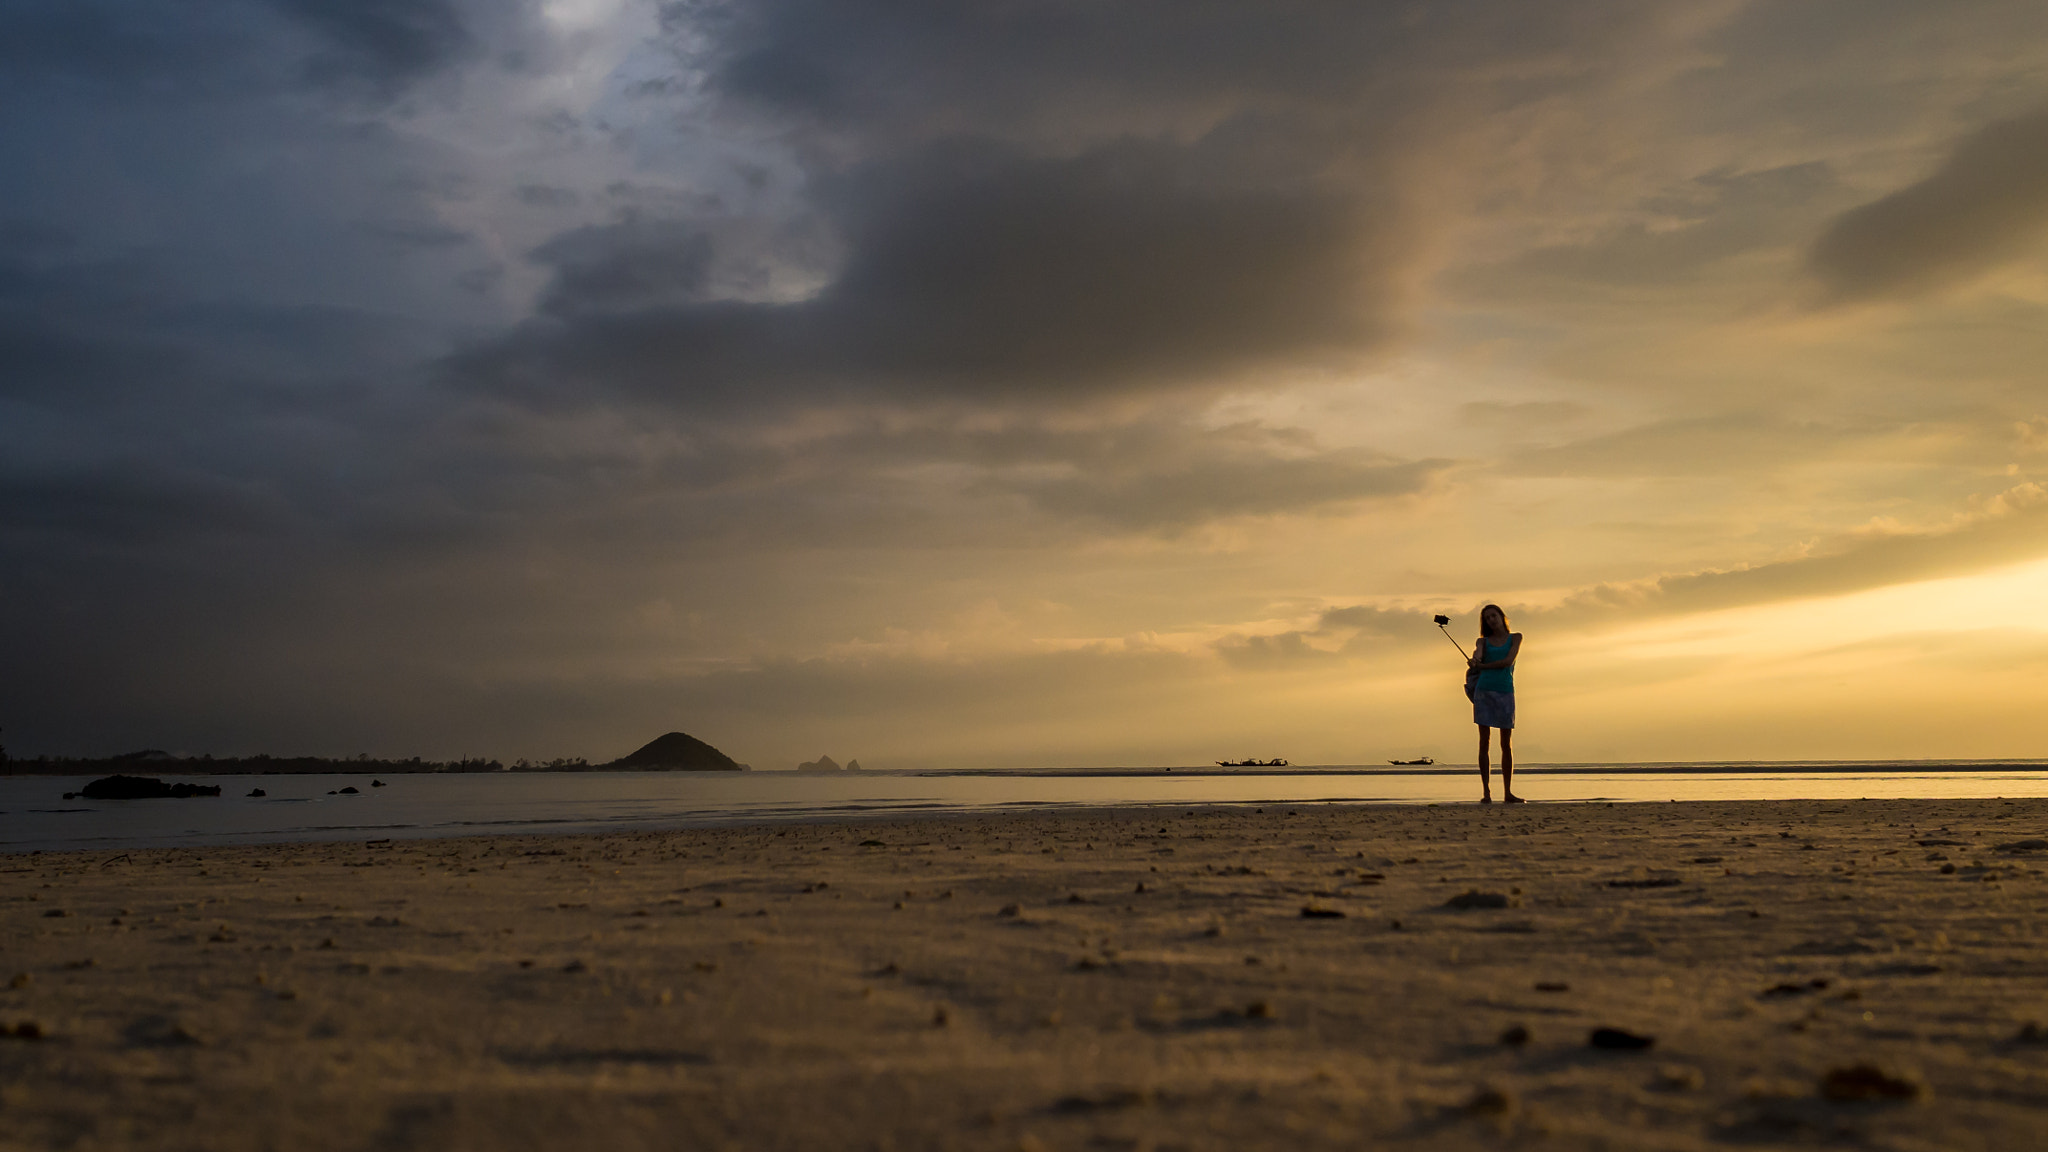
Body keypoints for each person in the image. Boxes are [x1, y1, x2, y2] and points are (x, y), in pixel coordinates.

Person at [1467, 604, 1522, 803]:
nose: (1491, 619)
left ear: (1501, 616)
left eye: (1494, 615)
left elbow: (1508, 661)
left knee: (1506, 744)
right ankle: (1487, 793)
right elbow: (1478, 654)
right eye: (1487, 618)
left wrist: (1483, 666)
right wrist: (1475, 662)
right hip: (1484, 691)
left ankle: (1508, 792)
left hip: (1506, 691)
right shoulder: (1482, 641)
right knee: (1484, 742)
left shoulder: (1515, 638)